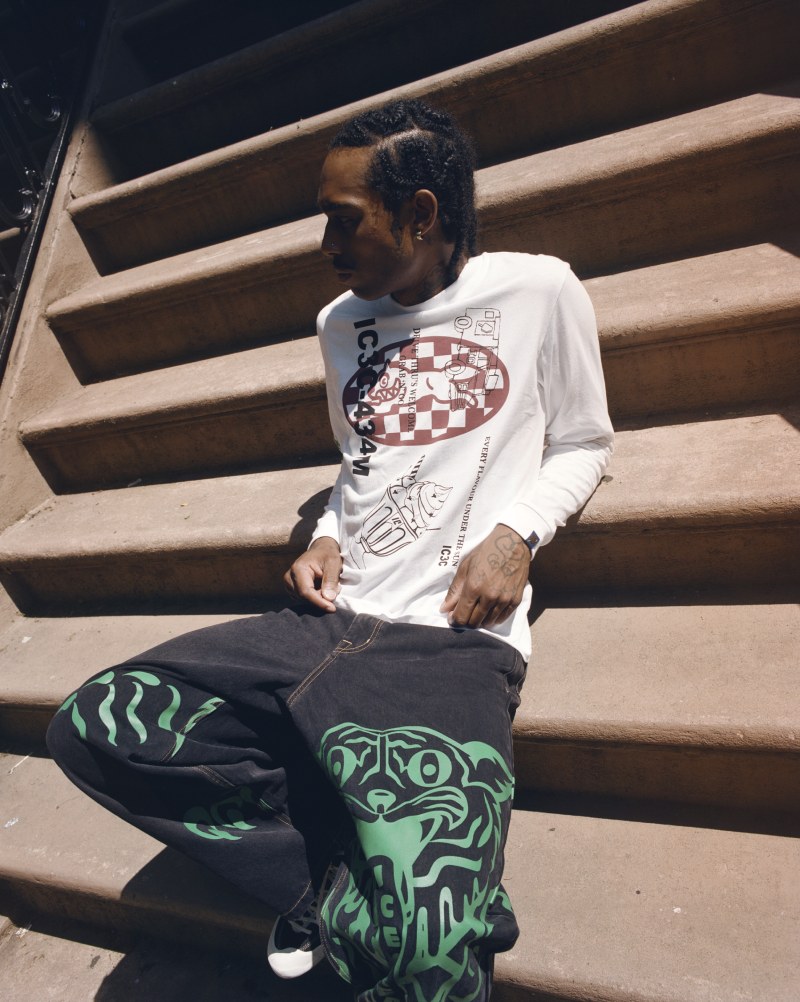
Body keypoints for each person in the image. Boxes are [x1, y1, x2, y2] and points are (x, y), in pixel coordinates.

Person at [46, 99, 613, 1001]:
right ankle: (336, 887)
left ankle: (388, 881)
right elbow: (363, 458)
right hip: (326, 624)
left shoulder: (539, 290)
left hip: (449, 644)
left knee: (433, 960)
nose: (324, 245)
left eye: (344, 220)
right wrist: (326, 535)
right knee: (96, 724)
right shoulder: (340, 323)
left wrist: (516, 536)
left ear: (420, 214)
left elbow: (584, 443)